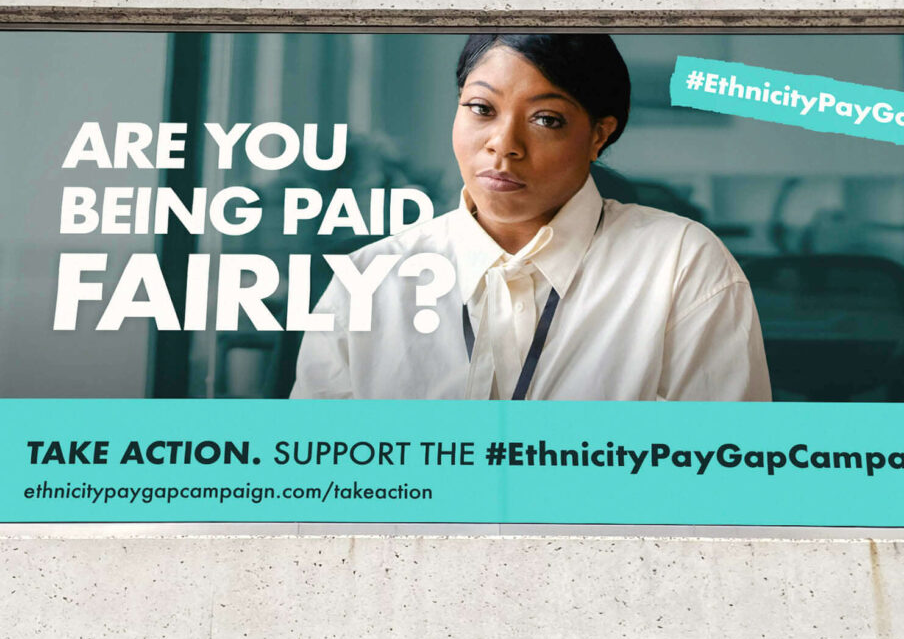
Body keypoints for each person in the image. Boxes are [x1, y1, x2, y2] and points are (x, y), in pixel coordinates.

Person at [292, 33, 770, 401]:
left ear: (599, 136)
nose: (504, 144)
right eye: (481, 109)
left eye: (547, 119)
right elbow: (315, 488)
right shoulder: (369, 277)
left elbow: (719, 478)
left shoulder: (680, 264)